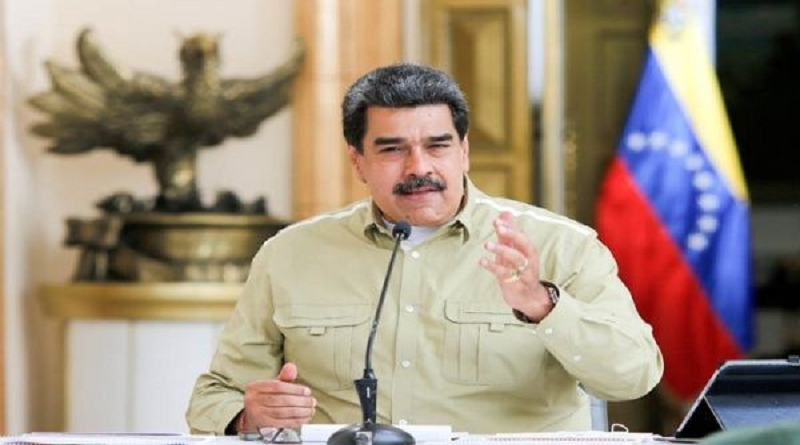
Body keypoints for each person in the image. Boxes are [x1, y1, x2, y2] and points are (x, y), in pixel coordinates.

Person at [186, 63, 664, 435]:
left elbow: (634, 376)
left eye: (437, 146)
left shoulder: (563, 246)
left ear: (464, 151)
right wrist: (247, 416)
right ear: (358, 160)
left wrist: (544, 306)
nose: (419, 167)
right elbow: (214, 397)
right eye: (392, 149)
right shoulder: (290, 254)